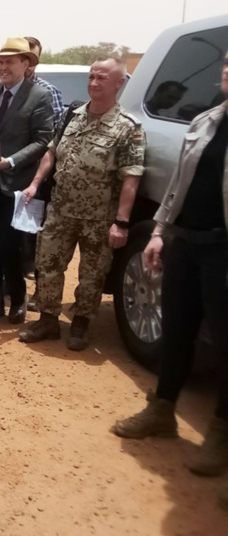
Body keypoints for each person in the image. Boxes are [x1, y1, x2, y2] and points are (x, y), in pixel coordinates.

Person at [114, 53, 228, 511]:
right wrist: (159, 231)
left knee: (224, 341)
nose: (225, 71)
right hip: (186, 241)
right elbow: (180, 184)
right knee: (178, 331)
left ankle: (219, 430)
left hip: (223, 248)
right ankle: (162, 411)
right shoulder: (207, 120)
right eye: (225, 64)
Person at [18, 57, 144, 349]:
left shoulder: (128, 128)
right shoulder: (71, 115)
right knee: (47, 264)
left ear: (119, 83)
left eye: (101, 78)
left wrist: (122, 222)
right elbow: (51, 152)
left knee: (92, 273)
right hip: (60, 209)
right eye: (91, 76)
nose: (93, 83)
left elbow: (131, 179)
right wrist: (35, 184)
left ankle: (81, 323)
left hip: (98, 217)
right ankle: (48, 320)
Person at [0, 38, 53, 323]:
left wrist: (9, 162)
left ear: (26, 64)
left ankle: (18, 299)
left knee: (9, 246)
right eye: (0, 62)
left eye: (10, 62)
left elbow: (42, 140)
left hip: (17, 186)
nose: (3, 67)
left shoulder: (39, 96)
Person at [24, 36, 64, 128]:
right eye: (24, 58)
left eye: (32, 59)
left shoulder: (48, 91)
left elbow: (56, 129)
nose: (27, 64)